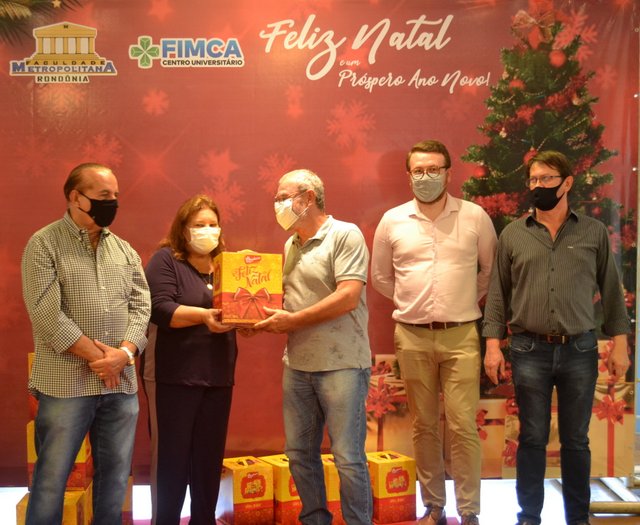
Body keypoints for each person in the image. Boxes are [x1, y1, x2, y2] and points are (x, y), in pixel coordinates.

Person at [482, 150, 631, 525]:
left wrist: (622, 344)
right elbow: (498, 294)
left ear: (567, 183)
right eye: (533, 179)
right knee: (532, 437)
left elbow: (611, 291)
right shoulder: (513, 234)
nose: (538, 186)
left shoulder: (593, 232)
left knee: (576, 440)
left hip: (579, 348)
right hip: (528, 348)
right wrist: (492, 346)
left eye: (547, 178)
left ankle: (577, 518)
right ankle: (528, 517)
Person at [371, 139, 497, 525]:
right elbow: (380, 277)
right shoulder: (392, 220)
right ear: (408, 175)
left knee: (463, 426)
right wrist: (413, 302)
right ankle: (434, 507)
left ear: (448, 173)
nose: (426, 177)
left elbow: (489, 272)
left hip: (462, 335)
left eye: (434, 169)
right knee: (423, 425)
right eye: (419, 171)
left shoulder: (475, 217)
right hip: (411, 336)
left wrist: (461, 300)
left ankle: (469, 511)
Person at [21, 162, 151, 525]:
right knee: (51, 480)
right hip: (66, 387)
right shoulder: (43, 244)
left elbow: (142, 306)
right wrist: (103, 360)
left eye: (116, 196)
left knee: (115, 479)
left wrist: (124, 354)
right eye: (104, 195)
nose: (113, 202)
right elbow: (47, 315)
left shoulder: (124, 250)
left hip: (120, 387)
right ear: (76, 197)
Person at [254, 169, 373, 525]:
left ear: (308, 198)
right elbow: (290, 303)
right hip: (298, 364)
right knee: (299, 454)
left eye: (283, 197)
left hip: (342, 364)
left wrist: (291, 321)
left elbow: (348, 296)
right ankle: (315, 519)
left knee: (348, 457)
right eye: (276, 198)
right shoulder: (291, 244)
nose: (277, 204)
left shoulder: (345, 234)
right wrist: (252, 320)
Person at [141, 194, 238, 525]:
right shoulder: (166, 260)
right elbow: (160, 309)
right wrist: (204, 316)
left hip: (218, 376)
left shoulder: (226, 264)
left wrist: (248, 321)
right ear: (183, 229)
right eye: (199, 224)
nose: (207, 230)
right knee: (171, 461)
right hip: (173, 376)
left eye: (213, 224)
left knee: (208, 461)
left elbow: (237, 309)